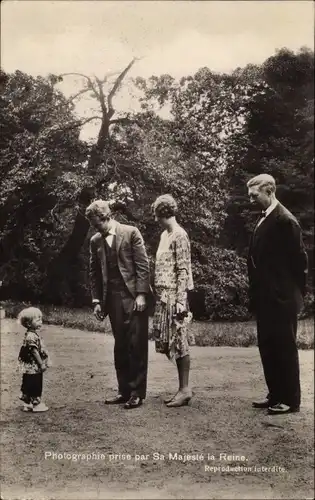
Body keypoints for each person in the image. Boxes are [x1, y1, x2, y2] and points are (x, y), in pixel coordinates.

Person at [247, 174, 308, 415]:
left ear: (269, 191)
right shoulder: (264, 218)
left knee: (284, 347)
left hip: (282, 299)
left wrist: (292, 296)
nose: (251, 200)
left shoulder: (285, 220)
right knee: (268, 346)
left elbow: (300, 263)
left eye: (255, 195)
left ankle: (290, 400)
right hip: (265, 298)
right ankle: (275, 394)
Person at [86, 200, 151, 410]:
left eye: (97, 224)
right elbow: (94, 273)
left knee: (136, 344)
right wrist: (96, 301)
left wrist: (141, 295)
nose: (96, 229)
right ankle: (123, 391)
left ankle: (137, 393)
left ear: (105, 217)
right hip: (111, 298)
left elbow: (142, 266)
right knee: (120, 345)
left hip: (133, 297)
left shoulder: (131, 232)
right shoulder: (96, 241)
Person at [152, 194, 194, 408]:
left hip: (174, 297)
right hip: (163, 296)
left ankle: (185, 389)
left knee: (179, 340)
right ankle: (182, 389)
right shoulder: (164, 235)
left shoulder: (179, 235)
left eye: (158, 215)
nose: (156, 219)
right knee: (170, 342)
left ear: (164, 213)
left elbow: (183, 269)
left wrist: (180, 300)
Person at [18, 307, 49, 412]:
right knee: (36, 383)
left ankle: (27, 403)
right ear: (28, 323)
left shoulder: (30, 334)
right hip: (34, 365)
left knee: (28, 382)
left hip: (28, 366)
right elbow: (34, 351)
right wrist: (41, 364)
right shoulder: (32, 336)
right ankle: (36, 404)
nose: (40, 321)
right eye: (37, 320)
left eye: (41, 319)